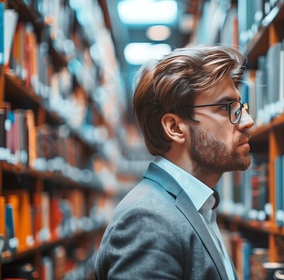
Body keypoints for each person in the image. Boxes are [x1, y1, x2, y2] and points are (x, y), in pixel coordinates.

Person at [94, 45, 254, 280]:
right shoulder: (147, 220)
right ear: (175, 127)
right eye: (225, 107)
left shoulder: (198, 206)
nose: (247, 121)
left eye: (240, 107)